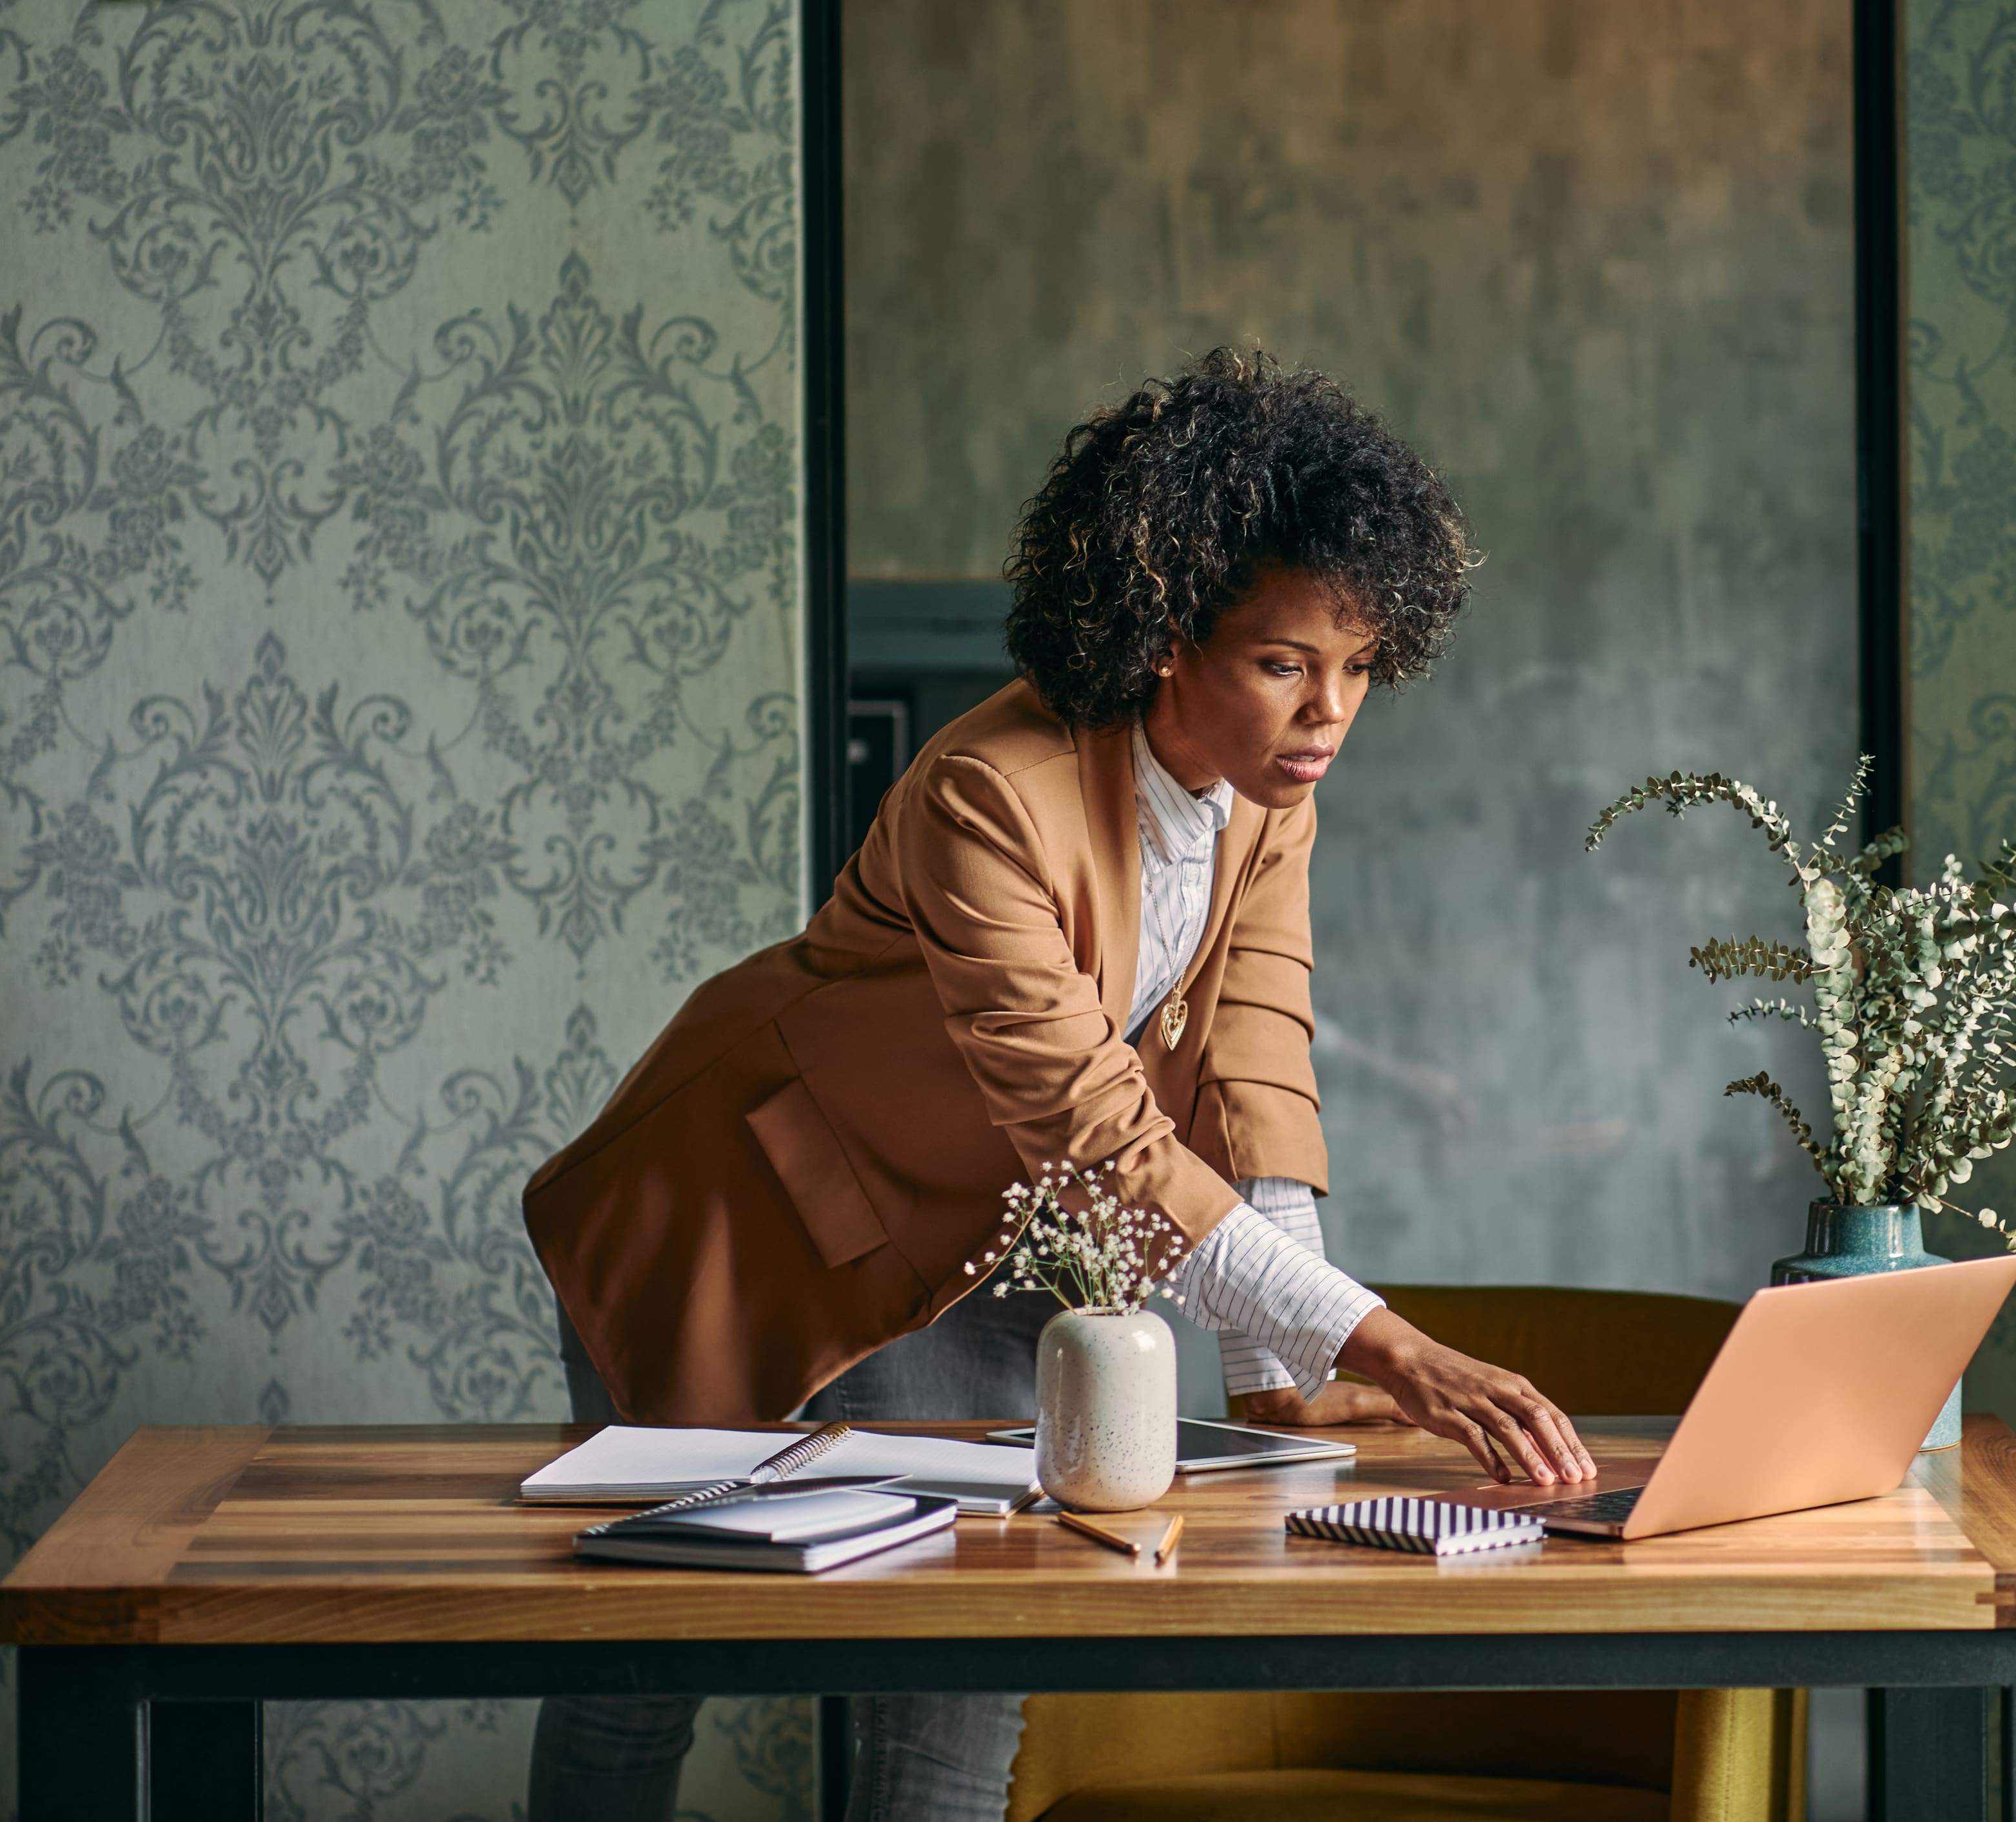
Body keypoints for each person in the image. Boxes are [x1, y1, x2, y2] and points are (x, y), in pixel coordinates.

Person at [521, 349, 1594, 1822]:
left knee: (975, 1650)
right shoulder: (987, 791)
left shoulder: (1266, 798)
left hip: (997, 1227)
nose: (1328, 709)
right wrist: (1395, 1346)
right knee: (640, 1659)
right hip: (738, 1202)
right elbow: (1096, 1130)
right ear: (1165, 630)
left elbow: (1253, 1068)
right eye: (1285, 660)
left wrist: (1288, 1378)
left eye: (1355, 665)